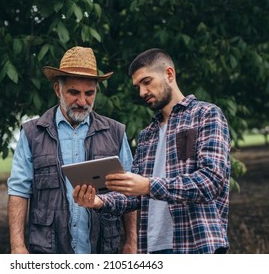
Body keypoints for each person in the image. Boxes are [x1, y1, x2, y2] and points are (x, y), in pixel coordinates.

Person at [74, 48, 231, 254]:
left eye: (147, 82)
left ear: (169, 74)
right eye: (138, 86)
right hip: (153, 249)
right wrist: (99, 201)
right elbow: (134, 195)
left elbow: (210, 182)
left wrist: (148, 185)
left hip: (197, 245)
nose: (142, 92)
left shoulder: (206, 115)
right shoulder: (147, 134)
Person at [7, 46, 137, 254]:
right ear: (58, 90)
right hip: (49, 251)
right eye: (74, 92)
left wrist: (132, 241)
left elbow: (130, 191)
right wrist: (17, 246)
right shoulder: (32, 133)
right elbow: (19, 191)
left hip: (103, 249)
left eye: (89, 93)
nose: (82, 101)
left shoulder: (115, 132)